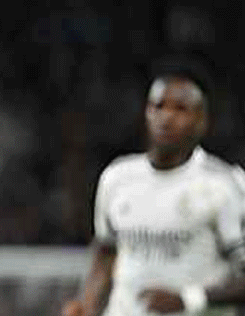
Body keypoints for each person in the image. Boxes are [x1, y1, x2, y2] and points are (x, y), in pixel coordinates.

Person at [62, 60, 245, 316]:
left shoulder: (226, 185)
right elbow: (105, 253)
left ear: (201, 121)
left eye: (181, 109)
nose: (166, 117)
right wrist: (86, 306)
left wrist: (190, 299)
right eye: (158, 106)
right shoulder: (117, 178)